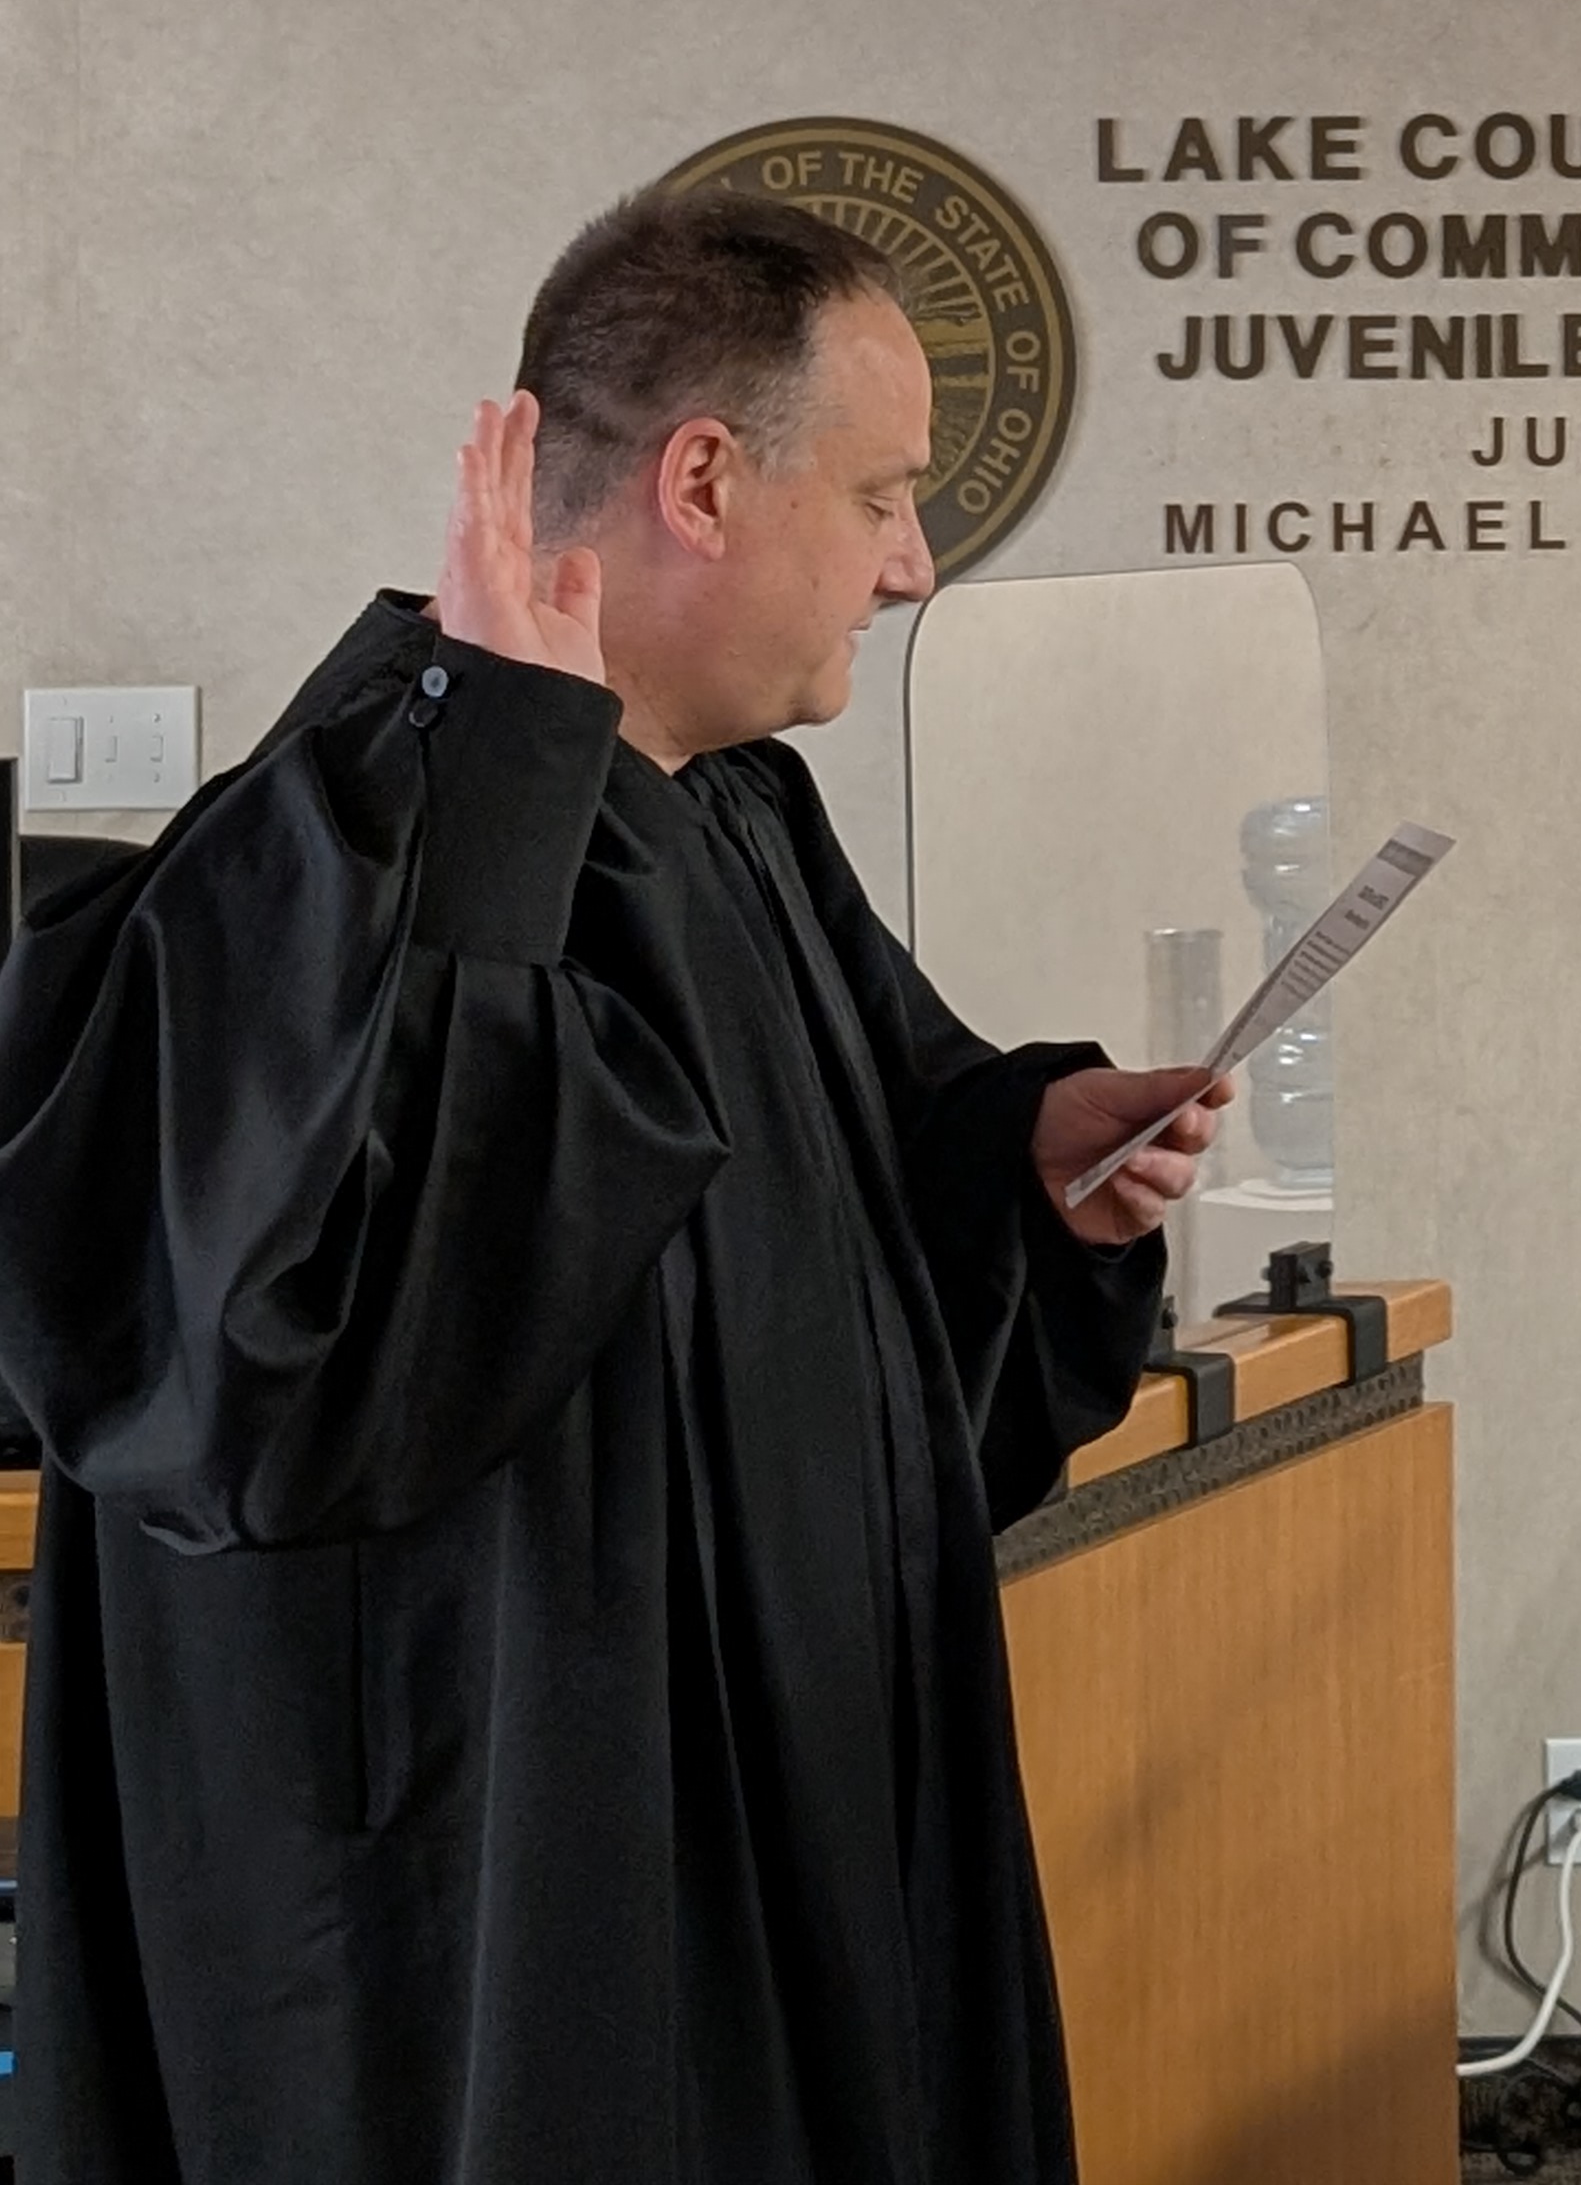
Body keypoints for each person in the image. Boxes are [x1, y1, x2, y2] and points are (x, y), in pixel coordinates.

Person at [0, 189, 1227, 2185]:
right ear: (705, 480)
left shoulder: (735, 802)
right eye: (887, 497)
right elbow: (304, 1364)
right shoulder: (351, 834)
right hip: (522, 1915)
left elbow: (852, 1158)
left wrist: (1026, 1161)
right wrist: (498, 779)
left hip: (793, 1827)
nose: (913, 569)